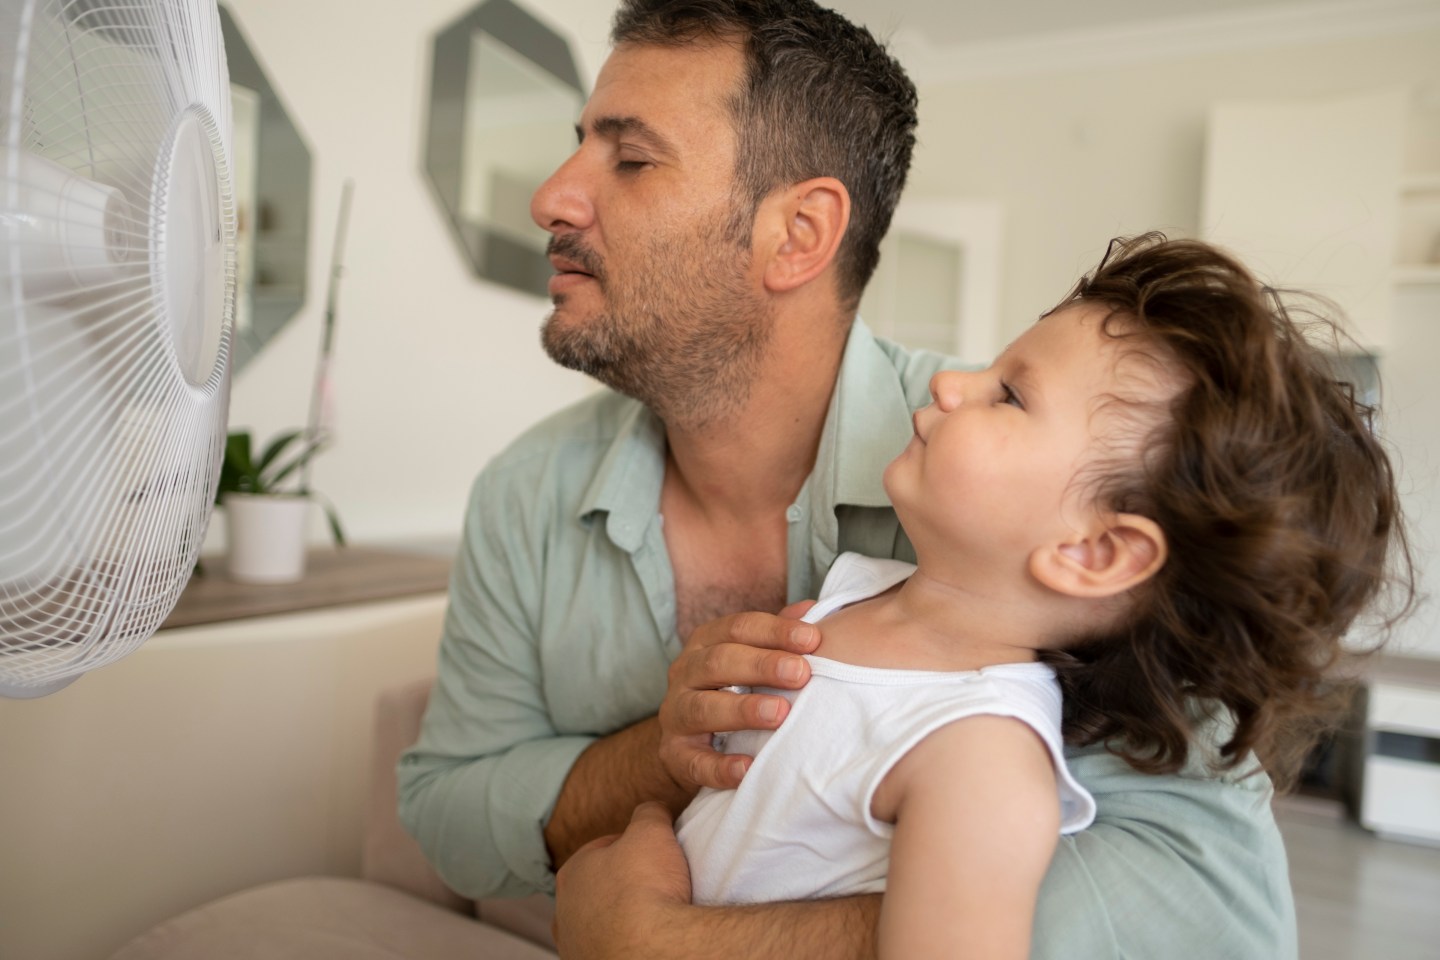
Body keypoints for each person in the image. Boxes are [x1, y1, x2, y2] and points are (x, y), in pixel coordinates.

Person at [398, 1, 1304, 956]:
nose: (550, 195)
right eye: (578, 145)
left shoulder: (1028, 496)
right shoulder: (523, 494)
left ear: (798, 233)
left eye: (630, 159)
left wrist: (665, 944)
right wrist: (656, 755)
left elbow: (1208, 911)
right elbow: (449, 813)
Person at [672, 234, 1412, 958]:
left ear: (1095, 553)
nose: (950, 384)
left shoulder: (981, 759)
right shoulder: (860, 587)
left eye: (1009, 395)